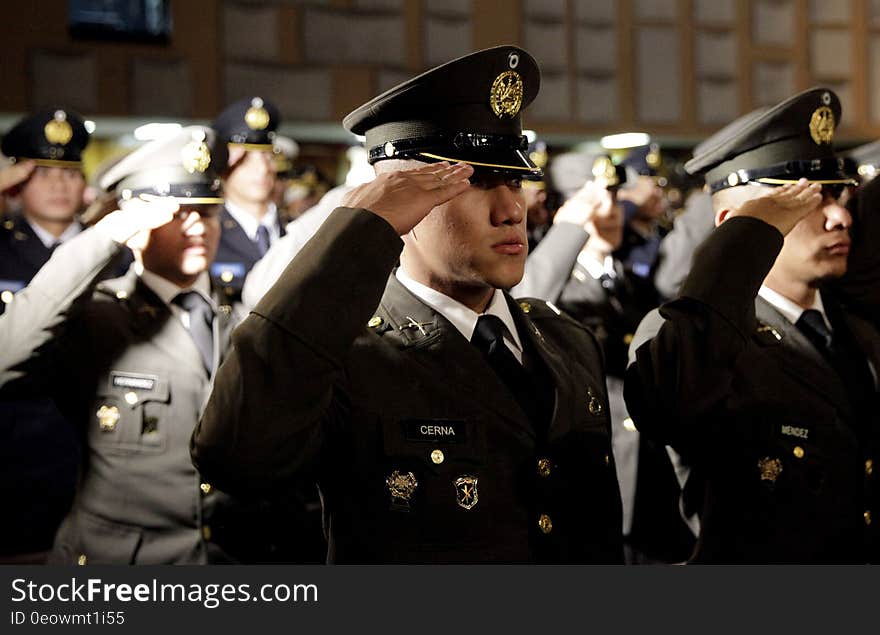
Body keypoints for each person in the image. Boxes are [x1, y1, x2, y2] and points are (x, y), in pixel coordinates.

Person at [193, 46, 623, 564]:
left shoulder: (566, 342)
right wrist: (357, 235)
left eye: (514, 179)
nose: (512, 209)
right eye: (475, 183)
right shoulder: (348, 351)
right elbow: (236, 454)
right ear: (403, 200)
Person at [625, 87, 878, 563]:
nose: (840, 216)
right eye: (808, 200)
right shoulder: (692, 336)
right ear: (734, 224)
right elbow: (674, 400)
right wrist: (744, 240)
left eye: (838, 195)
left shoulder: (858, 327)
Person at [0, 126, 254, 564]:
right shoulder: (97, 316)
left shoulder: (245, 313)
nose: (197, 225)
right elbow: (8, 353)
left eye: (207, 211)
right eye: (176, 212)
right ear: (135, 229)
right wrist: (104, 236)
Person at [512, 153, 693, 563]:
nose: (610, 211)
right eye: (596, 202)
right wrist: (570, 230)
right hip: (595, 465)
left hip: (646, 468)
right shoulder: (555, 278)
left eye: (614, 196)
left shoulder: (624, 270)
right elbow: (526, 301)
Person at [0, 108, 90, 313]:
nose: (58, 186)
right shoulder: (3, 246)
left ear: (84, 183)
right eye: (42, 173)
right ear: (17, 183)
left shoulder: (115, 251)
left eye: (69, 173)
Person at [210, 96, 285, 303]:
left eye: (267, 156)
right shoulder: (208, 236)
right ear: (224, 166)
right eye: (247, 159)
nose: (262, 169)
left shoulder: (299, 231)